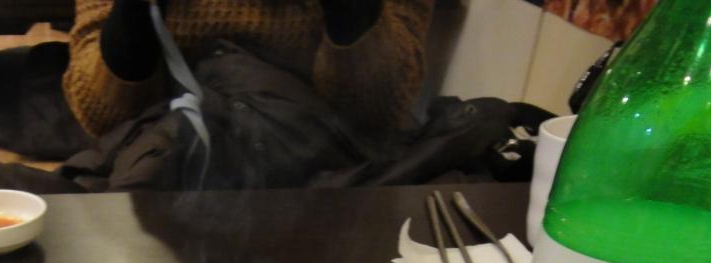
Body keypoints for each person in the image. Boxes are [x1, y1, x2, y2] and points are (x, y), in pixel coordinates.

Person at [62, 0, 436, 140]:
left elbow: (379, 113)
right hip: (166, 169)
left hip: (327, 175)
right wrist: (135, 11)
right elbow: (105, 117)